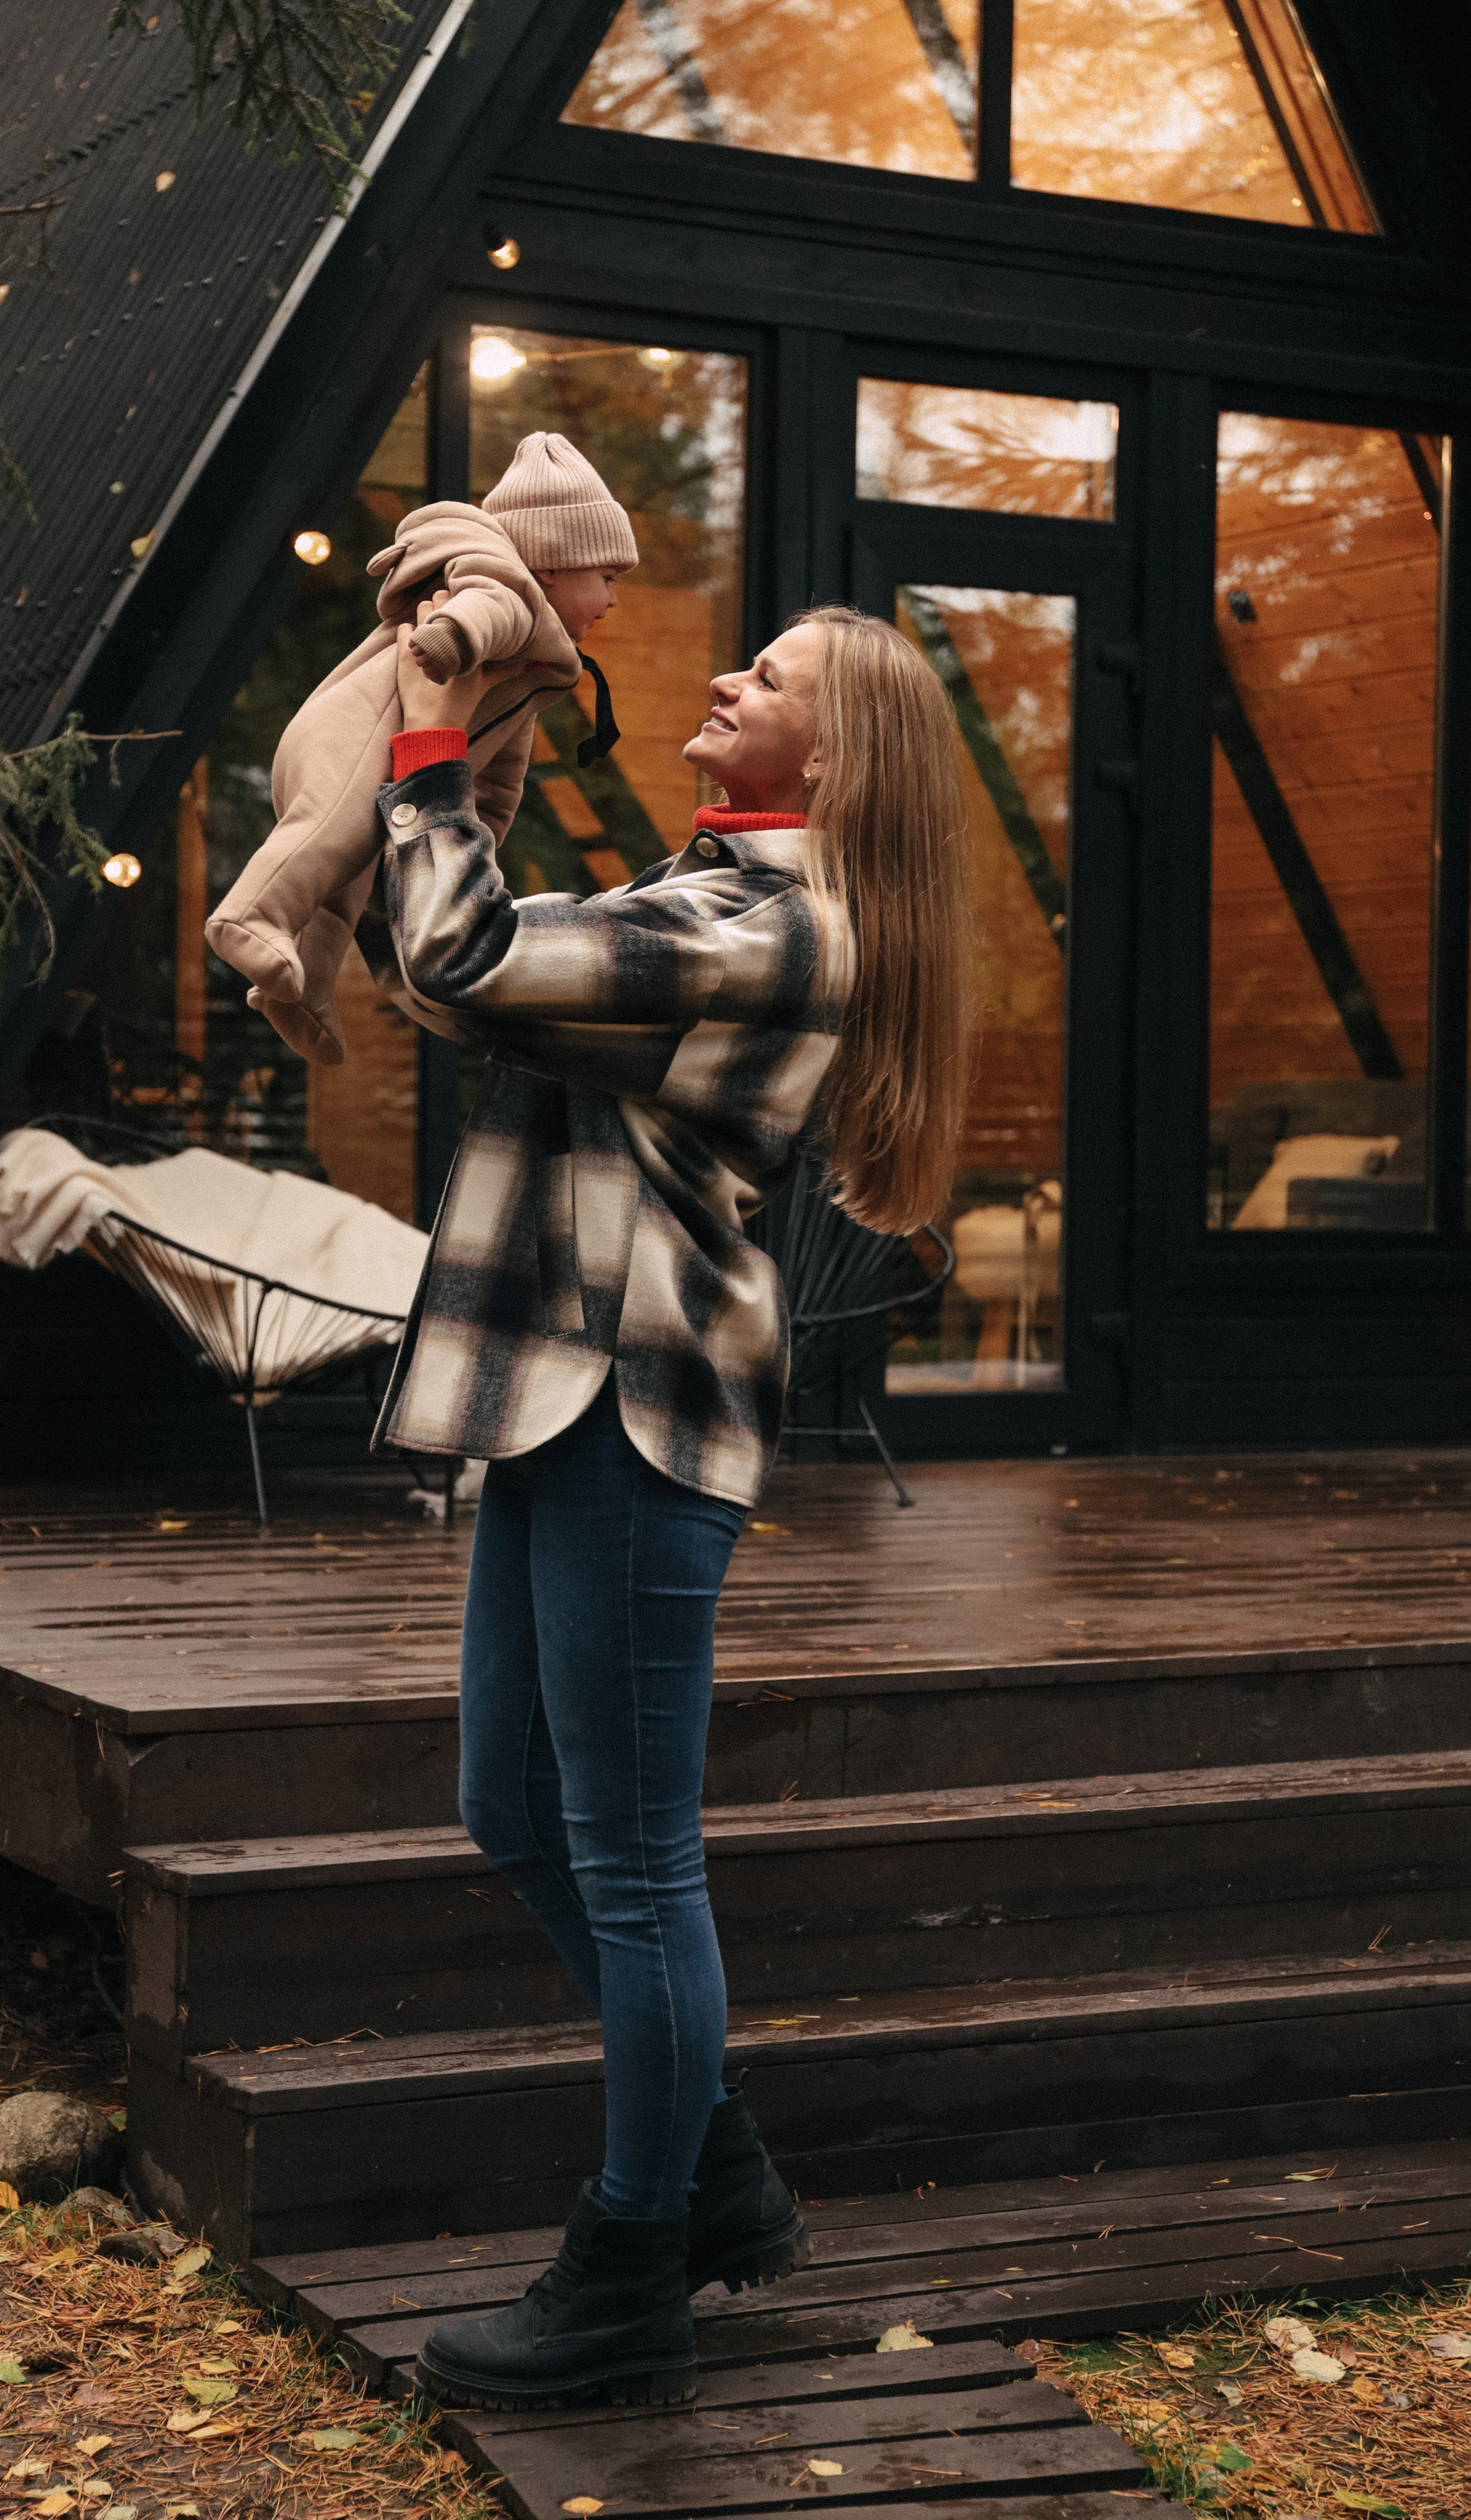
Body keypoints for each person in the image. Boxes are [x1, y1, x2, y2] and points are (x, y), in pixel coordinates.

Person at [352, 600, 972, 2412]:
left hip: (639, 1405)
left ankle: (634, 2267)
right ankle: (711, 2162)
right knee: (507, 1801)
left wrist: (431, 732)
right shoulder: (694, 891)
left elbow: (464, 952)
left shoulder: (768, 924)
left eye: (766, 676)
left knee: (633, 1861)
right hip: (560, 1393)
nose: (725, 677)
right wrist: (459, 788)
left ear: (834, 756)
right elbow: (456, 973)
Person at [205, 432, 635, 1062]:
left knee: (346, 885)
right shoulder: (512, 597)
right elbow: (482, 610)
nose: (614, 598)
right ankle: (250, 915)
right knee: (330, 836)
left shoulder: (531, 664)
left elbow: (501, 771)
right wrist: (448, 640)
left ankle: (304, 988)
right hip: (351, 742)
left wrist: (479, 837)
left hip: (385, 765)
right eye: (607, 576)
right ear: (550, 564)